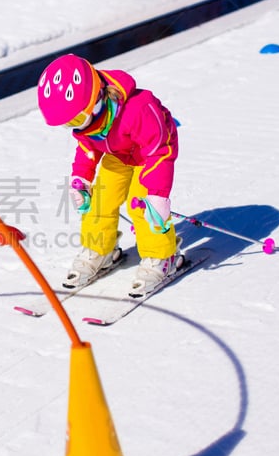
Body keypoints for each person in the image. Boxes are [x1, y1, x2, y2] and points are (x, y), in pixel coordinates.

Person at [36, 54, 182, 297]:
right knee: (100, 200)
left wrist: (157, 196)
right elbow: (87, 147)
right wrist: (81, 179)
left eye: (77, 118)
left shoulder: (138, 109)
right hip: (120, 154)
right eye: (69, 123)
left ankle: (162, 256)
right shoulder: (87, 124)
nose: (77, 126)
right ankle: (101, 249)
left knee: (142, 206)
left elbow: (160, 152)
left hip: (152, 154)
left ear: (97, 99)